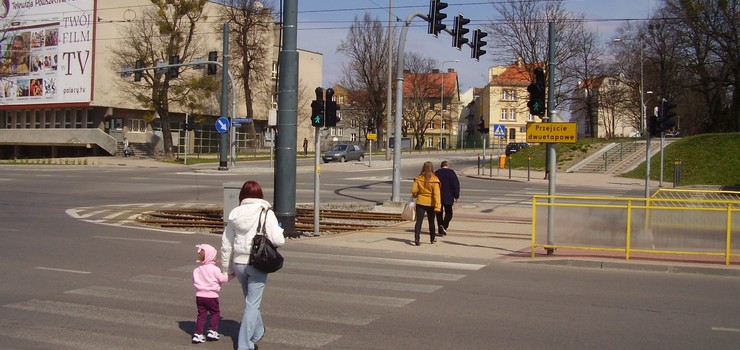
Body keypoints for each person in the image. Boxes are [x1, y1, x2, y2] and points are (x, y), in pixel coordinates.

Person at [221, 180, 285, 350]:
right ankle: (244, 344)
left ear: (242, 195)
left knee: (250, 301)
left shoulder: (234, 213)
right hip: (258, 262)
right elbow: (279, 240)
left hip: (239, 263)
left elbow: (226, 243)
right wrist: (280, 231)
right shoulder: (265, 212)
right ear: (260, 195)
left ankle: (258, 331)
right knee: (252, 304)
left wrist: (225, 269)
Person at [192, 244, 232, 344]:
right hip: (212, 296)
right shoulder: (215, 269)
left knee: (201, 315)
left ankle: (198, 333)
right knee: (215, 313)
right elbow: (223, 279)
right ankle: (212, 330)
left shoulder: (197, 270)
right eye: (214, 256)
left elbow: (194, 281)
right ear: (210, 257)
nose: (216, 258)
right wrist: (233, 274)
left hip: (199, 296)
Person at [411, 161, 441, 246]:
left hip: (420, 202)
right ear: (432, 168)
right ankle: (432, 238)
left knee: (419, 222)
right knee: (431, 222)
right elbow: (437, 194)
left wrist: (415, 195)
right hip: (431, 204)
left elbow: (413, 190)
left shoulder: (418, 178)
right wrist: (438, 206)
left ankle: (417, 238)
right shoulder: (435, 180)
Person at [435, 160, 460, 236]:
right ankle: (444, 226)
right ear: (447, 165)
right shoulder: (451, 173)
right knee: (449, 212)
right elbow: (456, 185)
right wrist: (456, 195)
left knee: (439, 213)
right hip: (448, 196)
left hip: (438, 196)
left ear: (441, 166)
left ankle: (440, 228)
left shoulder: (436, 173)